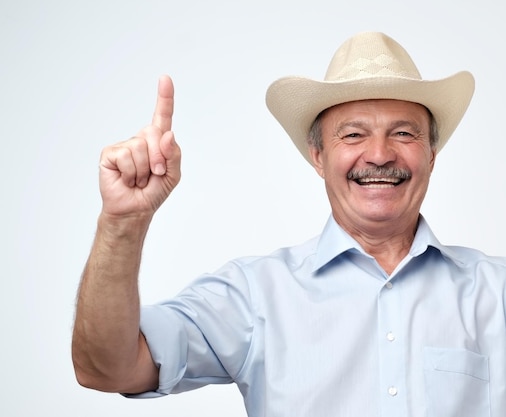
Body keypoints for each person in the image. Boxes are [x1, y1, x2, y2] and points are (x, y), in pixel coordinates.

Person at [72, 31, 506, 416]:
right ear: (318, 157)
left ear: (431, 154)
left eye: (404, 134)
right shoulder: (255, 295)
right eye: (353, 134)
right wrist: (122, 223)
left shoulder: (497, 294)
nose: (379, 154)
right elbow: (106, 368)